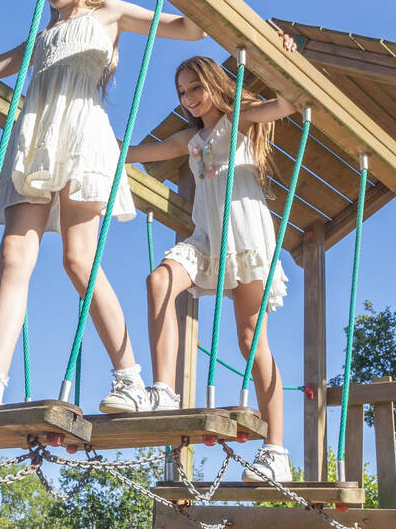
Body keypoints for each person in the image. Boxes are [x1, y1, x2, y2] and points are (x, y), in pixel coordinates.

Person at [0, 0, 211, 414]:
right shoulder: (41, 40)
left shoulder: (110, 13)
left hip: (83, 140)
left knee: (79, 260)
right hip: (37, 143)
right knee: (12, 254)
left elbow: (190, 29)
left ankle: (130, 380)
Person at [124, 46, 297, 481]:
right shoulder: (191, 140)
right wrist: (97, 141)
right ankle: (163, 390)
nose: (189, 98)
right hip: (206, 240)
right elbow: (137, 153)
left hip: (245, 235)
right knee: (159, 281)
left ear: (214, 84)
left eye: (195, 88)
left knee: (250, 340)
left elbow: (288, 104)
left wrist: (285, 58)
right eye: (182, 92)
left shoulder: (241, 118)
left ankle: (276, 450)